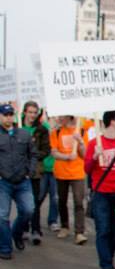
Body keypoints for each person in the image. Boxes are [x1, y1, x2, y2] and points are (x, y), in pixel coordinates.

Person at [85, 111, 115, 269]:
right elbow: (86, 169)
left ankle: (109, 259)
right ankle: (106, 266)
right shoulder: (95, 143)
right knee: (103, 230)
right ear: (112, 121)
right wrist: (95, 156)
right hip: (101, 192)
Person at [0, 103, 37, 260]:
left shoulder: (24, 134)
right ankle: (5, 248)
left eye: (10, 114)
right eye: (5, 115)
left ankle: (16, 234)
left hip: (23, 181)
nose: (8, 117)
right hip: (3, 182)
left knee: (29, 210)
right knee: (2, 216)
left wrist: (30, 171)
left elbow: (33, 154)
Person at [50, 115, 88, 245]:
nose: (59, 118)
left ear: (69, 116)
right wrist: (67, 156)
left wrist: (81, 142)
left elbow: (84, 155)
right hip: (61, 173)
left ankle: (79, 232)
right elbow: (54, 152)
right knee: (62, 201)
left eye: (62, 116)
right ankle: (64, 226)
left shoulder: (82, 131)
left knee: (78, 202)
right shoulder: (56, 132)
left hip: (77, 173)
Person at [21, 102, 52, 245]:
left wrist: (32, 155)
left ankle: (35, 229)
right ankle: (23, 228)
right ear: (24, 112)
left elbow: (46, 150)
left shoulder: (41, 130)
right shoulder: (17, 127)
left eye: (35, 112)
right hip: (19, 171)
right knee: (22, 202)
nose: (32, 115)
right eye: (30, 112)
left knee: (35, 202)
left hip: (35, 171)